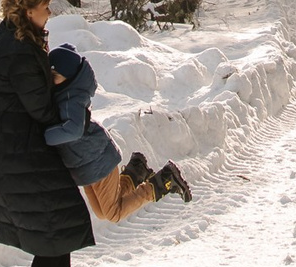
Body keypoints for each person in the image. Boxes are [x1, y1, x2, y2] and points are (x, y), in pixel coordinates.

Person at [0, 0, 90, 267]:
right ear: (28, 11)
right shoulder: (20, 53)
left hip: (20, 149)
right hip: (21, 153)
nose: (50, 13)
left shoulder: (19, 42)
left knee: (57, 226)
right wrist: (62, 87)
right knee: (57, 227)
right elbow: (41, 110)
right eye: (45, 8)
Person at [45, 43, 192, 221]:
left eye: (55, 76)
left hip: (97, 159)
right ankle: (134, 172)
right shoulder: (64, 94)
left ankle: (164, 181)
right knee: (102, 212)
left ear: (69, 78)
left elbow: (74, 130)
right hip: (87, 163)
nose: (51, 80)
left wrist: (44, 136)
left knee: (113, 214)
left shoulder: (71, 99)